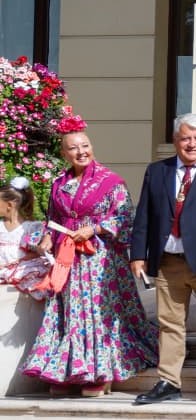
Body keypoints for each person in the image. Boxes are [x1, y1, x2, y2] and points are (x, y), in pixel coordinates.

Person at [23, 118, 155, 397]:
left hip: (101, 260)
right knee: (70, 312)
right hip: (67, 258)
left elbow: (125, 217)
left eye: (85, 145)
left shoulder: (111, 181)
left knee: (96, 314)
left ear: (92, 147)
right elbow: (54, 218)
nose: (81, 151)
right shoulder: (59, 182)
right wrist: (47, 236)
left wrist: (94, 228)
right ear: (64, 153)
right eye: (73, 148)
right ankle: (69, 369)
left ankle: (101, 372)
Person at [129, 113, 196, 405]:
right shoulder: (157, 171)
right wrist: (138, 253)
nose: (192, 144)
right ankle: (168, 382)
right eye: (185, 138)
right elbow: (144, 215)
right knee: (169, 324)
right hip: (168, 260)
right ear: (176, 141)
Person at [0, 177, 52, 302]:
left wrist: (14, 263)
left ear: (9, 205)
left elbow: (38, 253)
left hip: (21, 269)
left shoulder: (32, 227)